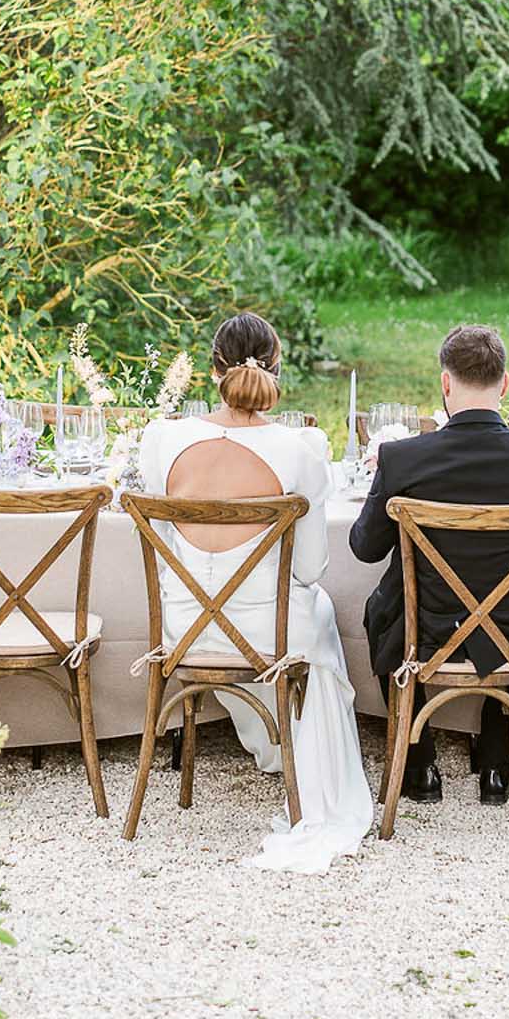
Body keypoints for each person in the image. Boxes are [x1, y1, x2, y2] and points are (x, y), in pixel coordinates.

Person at [139, 311, 373, 872]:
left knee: (308, 616)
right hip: (266, 634)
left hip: (182, 627)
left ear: (211, 369)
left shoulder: (161, 439)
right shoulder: (301, 448)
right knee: (316, 614)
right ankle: (294, 760)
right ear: (276, 370)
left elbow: (169, 541)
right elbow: (312, 568)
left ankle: (273, 748)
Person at [349, 323, 509, 806]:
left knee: (379, 608)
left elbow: (364, 548)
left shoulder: (403, 459)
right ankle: (496, 765)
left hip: (424, 630)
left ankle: (419, 766)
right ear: (505, 383)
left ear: (446, 383)